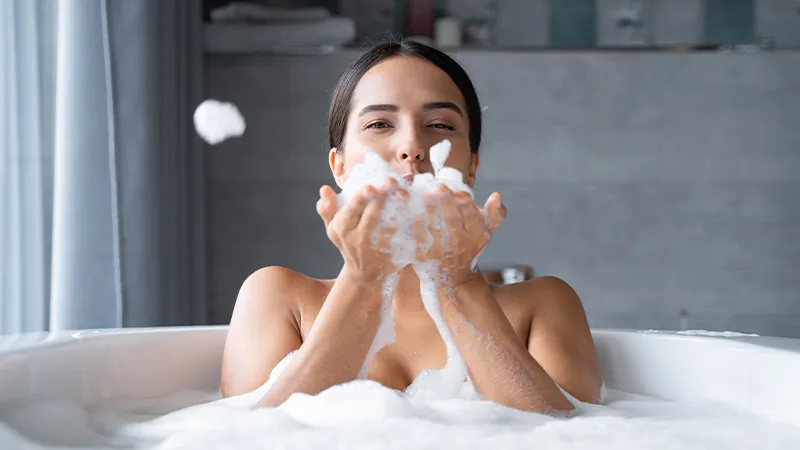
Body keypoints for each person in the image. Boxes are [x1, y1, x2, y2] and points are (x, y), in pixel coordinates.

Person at [219, 40, 603, 413]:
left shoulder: (542, 306)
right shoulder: (279, 299)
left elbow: (573, 437)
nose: (411, 146)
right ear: (339, 166)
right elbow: (251, 436)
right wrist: (362, 280)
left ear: (472, 165)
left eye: (439, 124)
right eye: (380, 123)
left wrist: (457, 282)